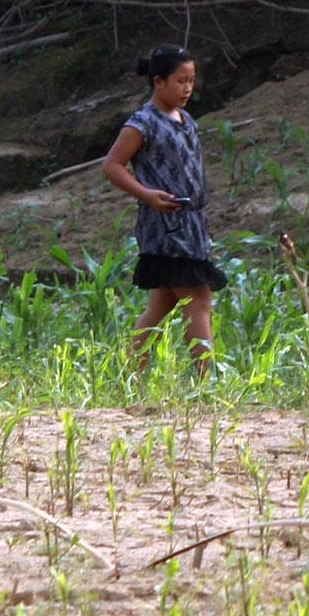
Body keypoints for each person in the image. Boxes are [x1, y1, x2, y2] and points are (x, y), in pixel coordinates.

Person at [102, 44, 226, 371]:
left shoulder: (186, 120)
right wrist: (147, 195)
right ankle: (206, 379)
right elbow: (113, 165)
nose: (187, 88)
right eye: (180, 81)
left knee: (163, 303)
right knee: (198, 298)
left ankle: (128, 372)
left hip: (192, 224)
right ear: (159, 82)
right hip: (166, 227)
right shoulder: (142, 122)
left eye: (191, 80)